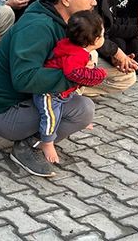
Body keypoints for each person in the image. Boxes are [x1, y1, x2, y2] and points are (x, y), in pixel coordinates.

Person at [0, 0, 97, 177]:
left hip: (31, 101)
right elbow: (24, 79)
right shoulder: (37, 27)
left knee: (82, 107)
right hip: (7, 112)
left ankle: (36, 139)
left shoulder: (63, 20)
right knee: (83, 110)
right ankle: (28, 146)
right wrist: (77, 76)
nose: (93, 1)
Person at [33, 10, 106, 164]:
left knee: (71, 104)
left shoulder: (75, 46)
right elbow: (74, 73)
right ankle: (47, 142)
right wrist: (98, 74)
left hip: (64, 92)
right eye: (103, 35)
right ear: (96, 39)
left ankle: (80, 120)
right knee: (51, 117)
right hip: (49, 93)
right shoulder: (76, 55)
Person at [73, 0, 138, 96]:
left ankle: (78, 89)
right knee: (91, 54)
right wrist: (115, 52)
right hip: (71, 53)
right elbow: (84, 35)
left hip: (95, 48)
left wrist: (114, 56)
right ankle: (69, 94)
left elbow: (105, 30)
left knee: (127, 76)